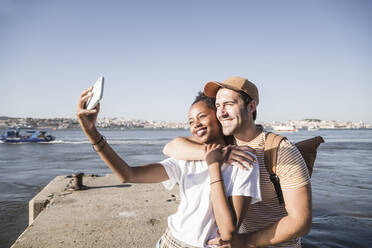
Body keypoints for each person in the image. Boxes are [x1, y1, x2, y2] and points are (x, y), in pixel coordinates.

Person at [76, 88, 261, 248]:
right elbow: (128, 174)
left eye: (202, 116)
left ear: (219, 117)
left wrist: (214, 165)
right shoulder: (187, 158)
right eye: (190, 121)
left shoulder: (243, 160)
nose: (195, 124)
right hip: (170, 241)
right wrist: (92, 133)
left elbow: (228, 231)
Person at [163, 76, 312, 248]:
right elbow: (171, 147)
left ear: (251, 106)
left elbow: (301, 221)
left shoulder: (282, 151)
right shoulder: (226, 143)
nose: (221, 112)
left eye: (229, 104)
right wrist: (216, 155)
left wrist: (244, 241)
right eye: (218, 106)